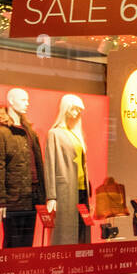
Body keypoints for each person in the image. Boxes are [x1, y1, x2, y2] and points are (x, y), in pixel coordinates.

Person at [0, 87, 45, 274]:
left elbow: (39, 164)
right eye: (23, 99)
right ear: (11, 102)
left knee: (26, 251)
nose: (27, 103)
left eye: (27, 99)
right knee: (11, 248)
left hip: (30, 200)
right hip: (12, 201)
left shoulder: (29, 131)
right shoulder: (1, 132)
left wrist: (45, 197)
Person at [44, 95, 92, 245]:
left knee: (82, 229)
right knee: (65, 232)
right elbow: (50, 164)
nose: (78, 113)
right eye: (75, 109)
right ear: (66, 107)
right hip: (65, 189)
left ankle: (82, 261)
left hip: (81, 189)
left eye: (79, 110)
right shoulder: (55, 133)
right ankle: (61, 262)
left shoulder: (76, 134)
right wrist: (51, 196)